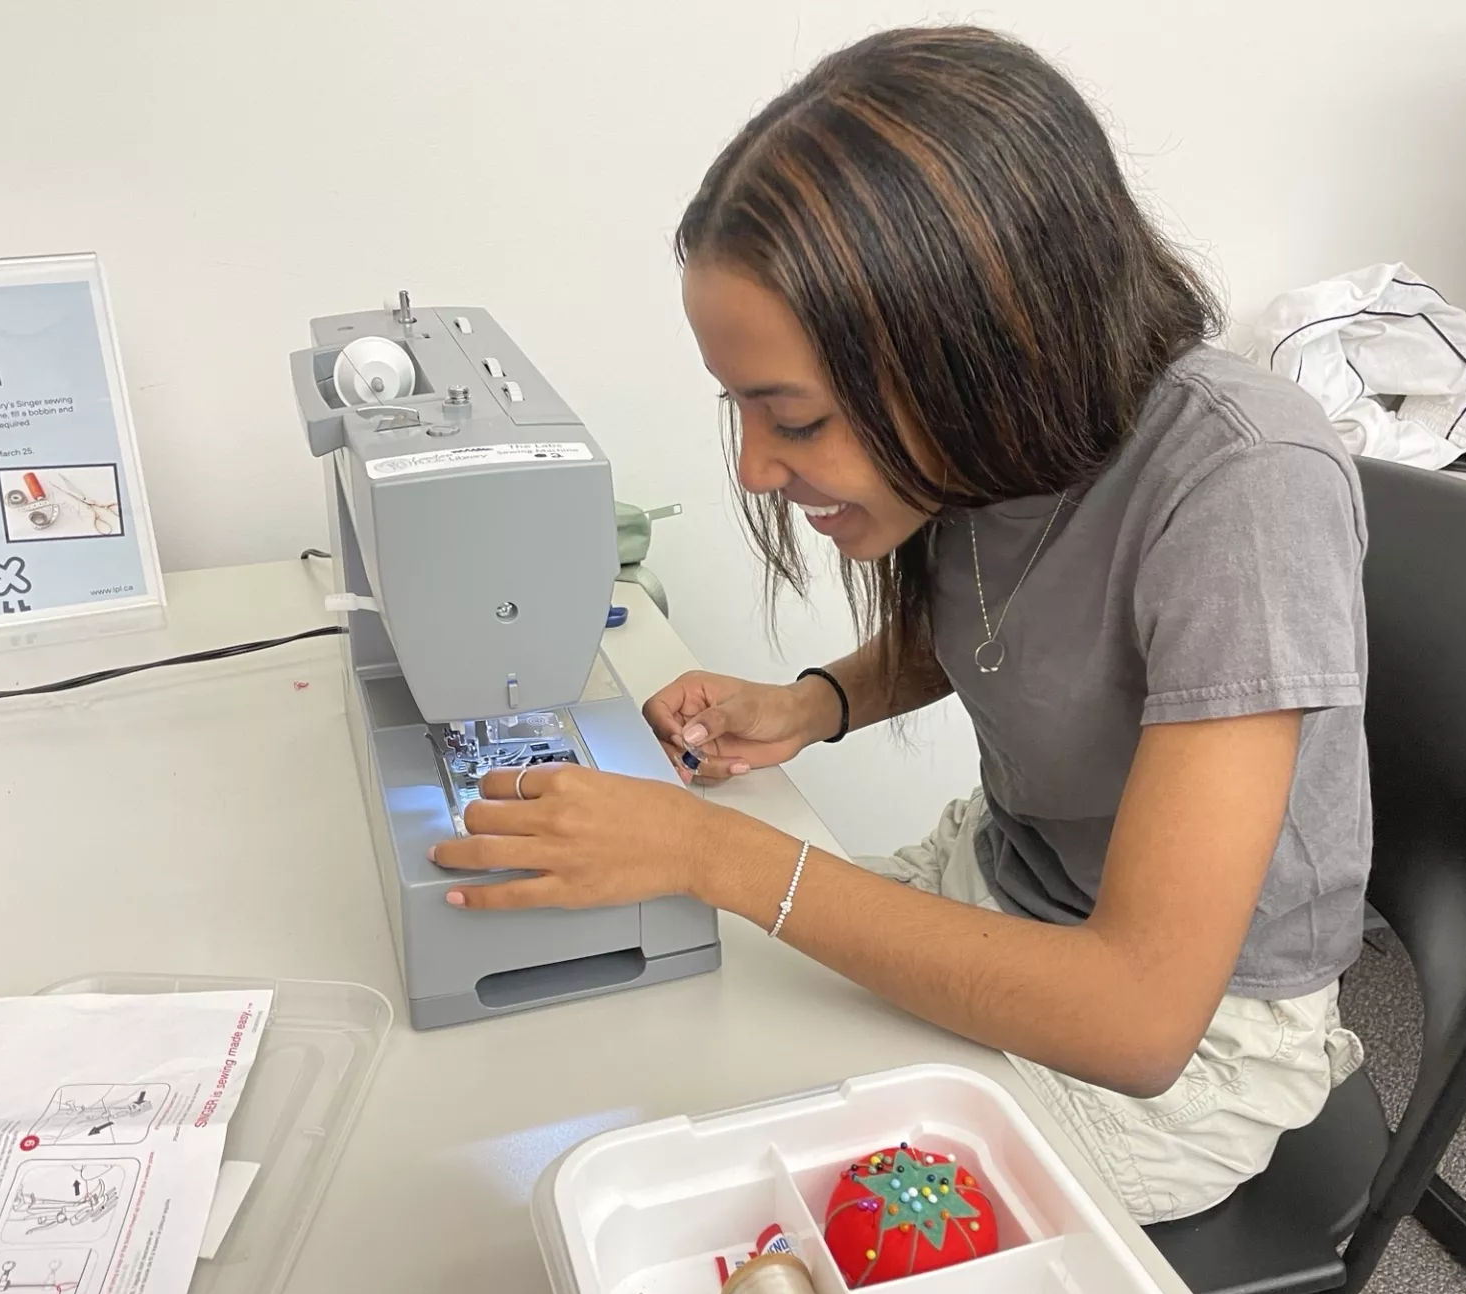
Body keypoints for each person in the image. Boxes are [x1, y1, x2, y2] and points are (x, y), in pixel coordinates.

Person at [430, 25, 1368, 1224]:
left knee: (732, 1191)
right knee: (667, 1017)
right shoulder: (1009, 445)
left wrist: (707, 850)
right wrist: (815, 702)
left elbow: (1136, 1018)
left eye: (796, 419)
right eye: (742, 413)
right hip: (996, 876)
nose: (760, 469)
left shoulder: (1246, 486)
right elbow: (1008, 616)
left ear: (980, 355)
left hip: (1198, 1046)